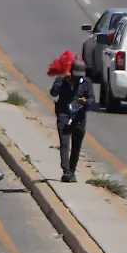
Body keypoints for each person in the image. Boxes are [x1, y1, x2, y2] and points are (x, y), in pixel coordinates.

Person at [48, 51, 92, 183]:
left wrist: (85, 102)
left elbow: (92, 99)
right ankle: (66, 171)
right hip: (64, 115)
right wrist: (61, 81)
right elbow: (53, 93)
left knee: (76, 146)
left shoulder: (86, 83)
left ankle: (72, 170)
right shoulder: (62, 80)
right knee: (64, 144)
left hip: (79, 117)